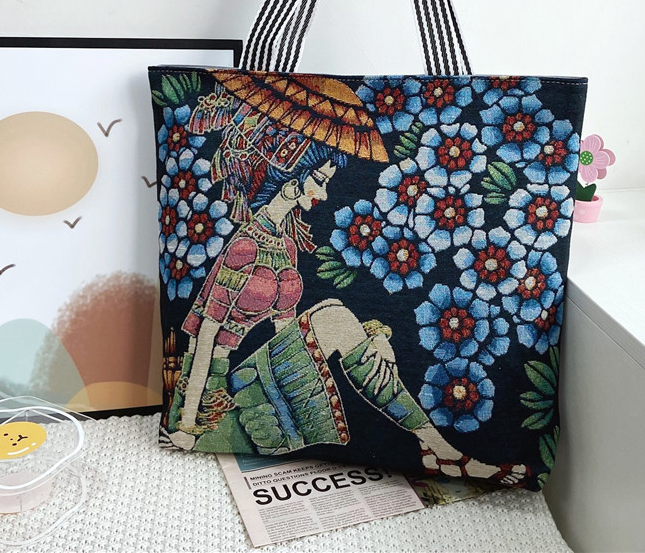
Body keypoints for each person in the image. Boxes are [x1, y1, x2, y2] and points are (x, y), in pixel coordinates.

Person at [164, 73, 525, 484]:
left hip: (260, 384)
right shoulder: (244, 246)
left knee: (336, 317)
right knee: (332, 315)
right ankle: (440, 451)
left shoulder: (285, 246)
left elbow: (287, 336)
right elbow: (205, 337)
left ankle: (436, 449)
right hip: (213, 400)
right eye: (319, 181)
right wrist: (186, 425)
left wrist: (366, 341)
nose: (322, 194)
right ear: (289, 176)